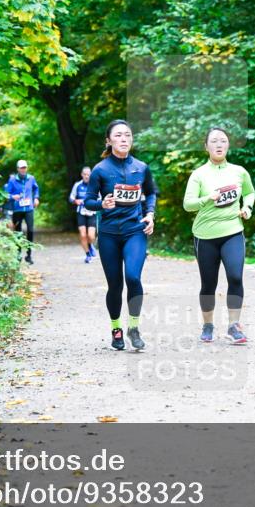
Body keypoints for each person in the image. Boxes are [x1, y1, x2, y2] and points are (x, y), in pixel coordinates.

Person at [84, 120, 157, 351]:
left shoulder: (142, 167)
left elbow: (151, 193)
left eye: (127, 135)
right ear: (109, 141)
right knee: (115, 285)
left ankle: (134, 328)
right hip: (109, 235)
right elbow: (88, 201)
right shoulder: (100, 170)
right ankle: (116, 329)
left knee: (133, 278)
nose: (124, 139)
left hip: (134, 231)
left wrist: (150, 214)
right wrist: (101, 204)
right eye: (118, 135)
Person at [183, 127, 255, 344]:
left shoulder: (239, 171)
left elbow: (249, 192)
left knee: (235, 276)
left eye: (223, 140)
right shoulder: (199, 174)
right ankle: (208, 325)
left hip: (233, 231)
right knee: (208, 284)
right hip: (205, 235)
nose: (219, 144)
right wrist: (207, 198)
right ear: (206, 147)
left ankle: (234, 326)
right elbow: (188, 204)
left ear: (228, 145)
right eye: (214, 141)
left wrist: (247, 207)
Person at [4, 159, 40, 264]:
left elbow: (36, 189)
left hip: (29, 208)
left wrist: (36, 198)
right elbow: (5, 194)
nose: (23, 170)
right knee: (18, 232)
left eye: (25, 167)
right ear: (18, 169)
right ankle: (18, 254)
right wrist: (12, 196)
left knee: (30, 230)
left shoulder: (31, 178)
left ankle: (29, 255)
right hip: (17, 209)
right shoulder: (12, 180)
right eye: (21, 168)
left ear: (27, 168)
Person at [69, 166, 98, 263]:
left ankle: (90, 245)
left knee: (91, 236)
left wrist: (93, 203)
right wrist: (75, 201)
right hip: (81, 212)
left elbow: (100, 198)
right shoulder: (77, 185)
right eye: (85, 174)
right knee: (82, 234)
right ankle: (88, 254)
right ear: (82, 175)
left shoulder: (95, 185)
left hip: (91, 212)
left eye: (88, 174)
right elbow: (71, 197)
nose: (86, 176)